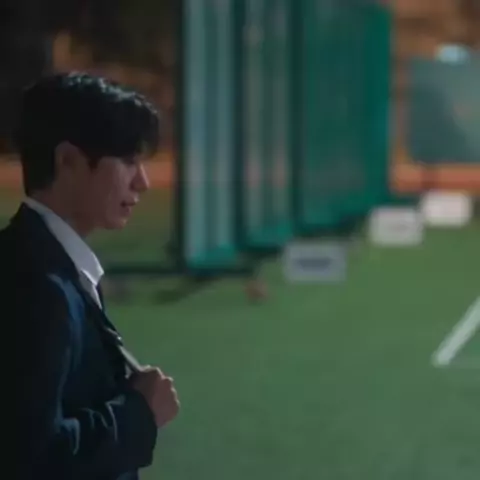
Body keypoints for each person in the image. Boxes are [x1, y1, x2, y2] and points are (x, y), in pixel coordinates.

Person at [2, 72, 180, 479]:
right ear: (67, 160)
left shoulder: (36, 260)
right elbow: (30, 458)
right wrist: (139, 413)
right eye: (128, 161)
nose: (143, 182)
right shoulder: (38, 286)